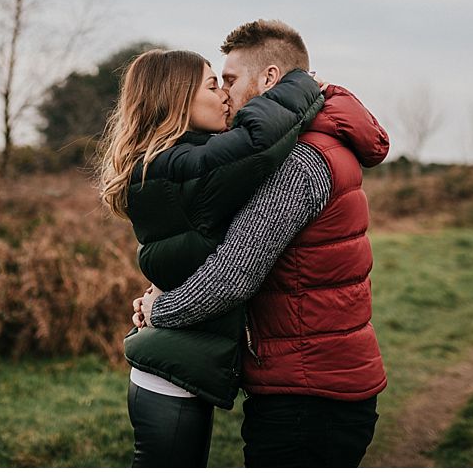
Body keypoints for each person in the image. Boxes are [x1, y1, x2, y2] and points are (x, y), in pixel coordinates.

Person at [133, 19, 390, 467]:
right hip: (318, 382)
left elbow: (231, 276)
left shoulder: (297, 161)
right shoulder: (313, 143)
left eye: (228, 80)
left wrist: (161, 311)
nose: (225, 94)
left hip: (309, 395)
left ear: (270, 79)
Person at [97, 47, 324, 467]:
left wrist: (158, 297)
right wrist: (303, 82)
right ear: (178, 98)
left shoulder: (168, 161)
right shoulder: (187, 168)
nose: (224, 95)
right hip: (172, 376)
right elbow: (261, 145)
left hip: (172, 364)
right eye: (212, 84)